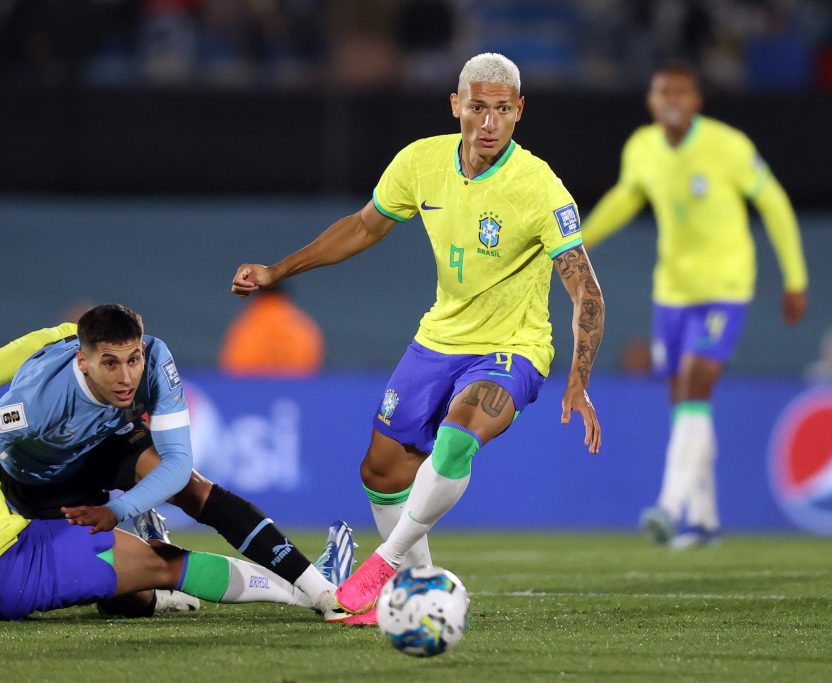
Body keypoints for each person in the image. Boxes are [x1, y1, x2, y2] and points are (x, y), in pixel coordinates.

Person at [231, 52, 604, 622]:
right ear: (456, 105)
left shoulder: (539, 188)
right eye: (477, 107)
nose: (489, 122)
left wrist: (579, 379)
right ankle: (420, 590)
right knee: (381, 471)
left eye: (502, 110)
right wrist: (278, 271)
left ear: (519, 111)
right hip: (438, 339)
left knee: (456, 439)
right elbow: (364, 226)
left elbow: (587, 293)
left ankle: (381, 568)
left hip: (513, 348)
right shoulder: (421, 162)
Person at [0, 331, 338, 621]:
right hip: (16, 553)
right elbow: (20, 351)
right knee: (161, 562)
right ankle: (308, 592)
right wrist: (81, 334)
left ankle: (299, 584)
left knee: (134, 569)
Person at [581, 63, 808, 548]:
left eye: (681, 93)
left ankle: (670, 506)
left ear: (697, 101)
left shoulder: (728, 146)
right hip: (672, 292)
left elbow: (774, 203)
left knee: (694, 383)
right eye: (662, 92)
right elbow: (625, 197)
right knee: (684, 400)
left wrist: (795, 278)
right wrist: (581, 242)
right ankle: (705, 520)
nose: (671, 100)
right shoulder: (642, 147)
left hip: (725, 287)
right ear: (650, 100)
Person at [219, 285, 325, 377]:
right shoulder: (302, 324)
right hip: (296, 387)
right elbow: (313, 363)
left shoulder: (247, 324)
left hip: (251, 387)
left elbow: (233, 365)